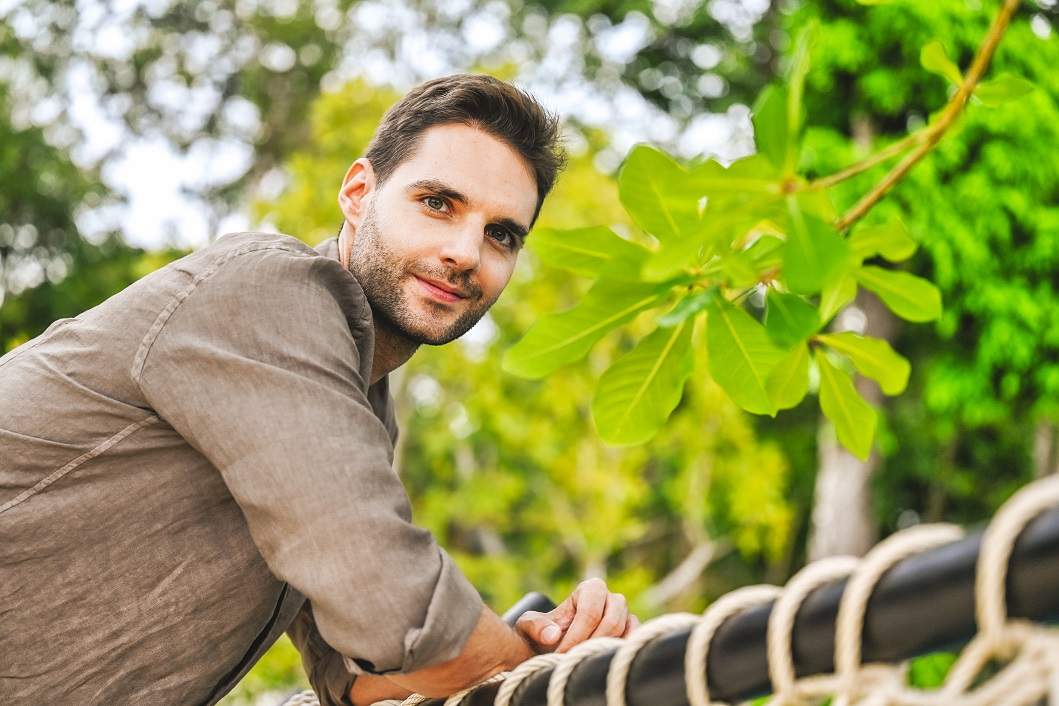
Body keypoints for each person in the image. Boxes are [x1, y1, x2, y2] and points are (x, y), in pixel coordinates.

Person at [0, 74, 637, 706]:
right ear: (358, 193)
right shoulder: (267, 296)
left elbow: (356, 677)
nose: (466, 252)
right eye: (438, 202)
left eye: (502, 234)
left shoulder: (358, 408)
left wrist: (543, 642)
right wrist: (531, 663)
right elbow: (397, 608)